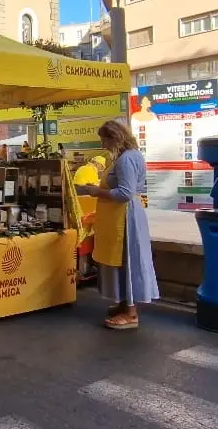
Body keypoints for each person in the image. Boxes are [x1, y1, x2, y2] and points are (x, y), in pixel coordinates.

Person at [82, 121, 158, 330]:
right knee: (125, 261)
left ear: (115, 138)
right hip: (125, 215)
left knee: (127, 260)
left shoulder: (125, 160)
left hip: (125, 217)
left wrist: (98, 192)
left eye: (105, 139)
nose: (103, 144)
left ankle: (131, 313)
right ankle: (125, 304)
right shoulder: (131, 156)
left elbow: (124, 193)